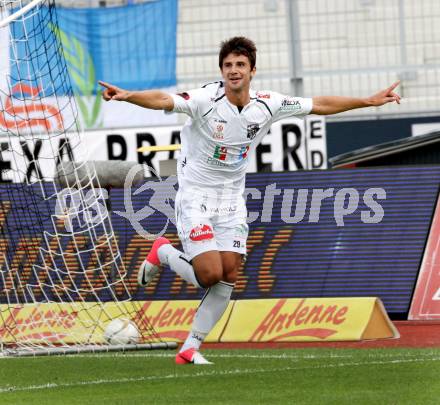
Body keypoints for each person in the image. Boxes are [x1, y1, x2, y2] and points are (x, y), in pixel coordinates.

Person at [99, 36, 400, 365]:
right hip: (196, 196)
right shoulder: (204, 100)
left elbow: (319, 104)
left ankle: (190, 348)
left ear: (252, 70)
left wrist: (369, 102)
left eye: (240, 65)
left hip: (231, 200)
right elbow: (162, 100)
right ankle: (165, 253)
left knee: (229, 275)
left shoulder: (267, 104)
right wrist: (128, 97)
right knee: (210, 274)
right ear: (222, 71)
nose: (233, 70)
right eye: (228, 65)